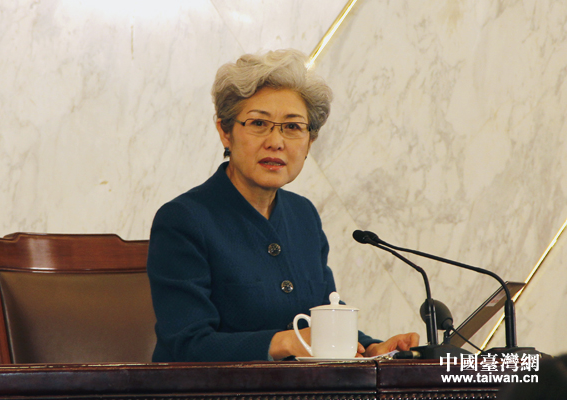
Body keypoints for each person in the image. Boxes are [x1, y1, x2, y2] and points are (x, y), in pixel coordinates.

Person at [147, 49, 419, 362]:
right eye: (258, 123)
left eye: (292, 127)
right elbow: (186, 345)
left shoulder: (304, 215)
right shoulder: (183, 220)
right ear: (225, 132)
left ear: (310, 142)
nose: (276, 142)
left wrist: (372, 349)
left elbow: (323, 312)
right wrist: (286, 343)